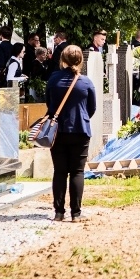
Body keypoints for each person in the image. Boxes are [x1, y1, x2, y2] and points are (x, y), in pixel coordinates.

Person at [46, 45, 97, 222]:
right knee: (77, 172)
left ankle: (59, 212)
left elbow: (49, 103)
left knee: (59, 171)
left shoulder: (53, 79)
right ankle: (76, 213)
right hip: (80, 130)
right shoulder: (86, 82)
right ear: (81, 61)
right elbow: (92, 108)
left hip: (57, 130)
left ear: (63, 60)